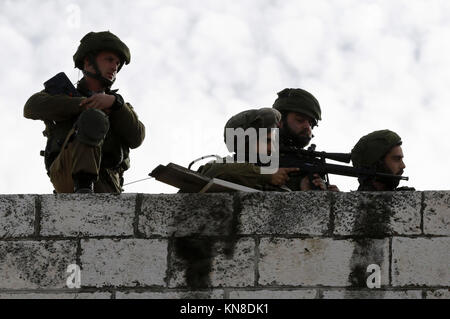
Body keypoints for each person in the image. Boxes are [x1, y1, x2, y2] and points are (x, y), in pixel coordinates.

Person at [24, 31, 145, 193]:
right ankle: (83, 191)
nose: (114, 67)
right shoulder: (63, 96)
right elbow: (31, 107)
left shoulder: (118, 106)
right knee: (93, 118)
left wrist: (116, 104)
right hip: (67, 174)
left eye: (117, 63)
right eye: (109, 59)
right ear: (88, 63)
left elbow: (137, 137)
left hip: (108, 182)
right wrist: (83, 105)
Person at [199, 108, 300, 191]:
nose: (272, 148)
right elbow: (218, 171)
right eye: (267, 141)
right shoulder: (222, 166)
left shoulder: (273, 178)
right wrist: (267, 175)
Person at [273, 88, 338, 191]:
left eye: (311, 123)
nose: (307, 127)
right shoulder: (258, 152)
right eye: (300, 120)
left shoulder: (308, 161)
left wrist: (328, 197)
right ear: (280, 121)